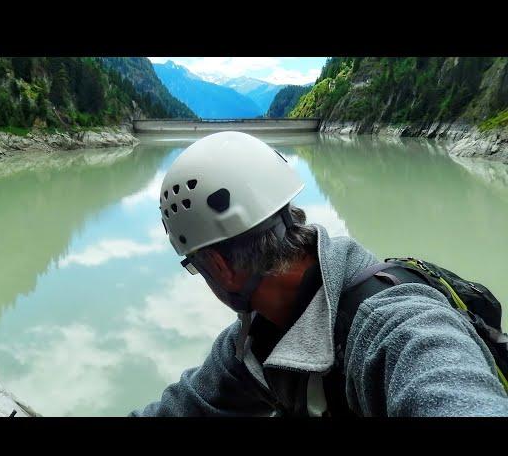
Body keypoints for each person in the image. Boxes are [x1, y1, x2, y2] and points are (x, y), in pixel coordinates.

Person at [131, 131, 508, 417]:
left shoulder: (400, 327)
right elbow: (186, 407)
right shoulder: (257, 341)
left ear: (220, 266)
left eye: (195, 266)